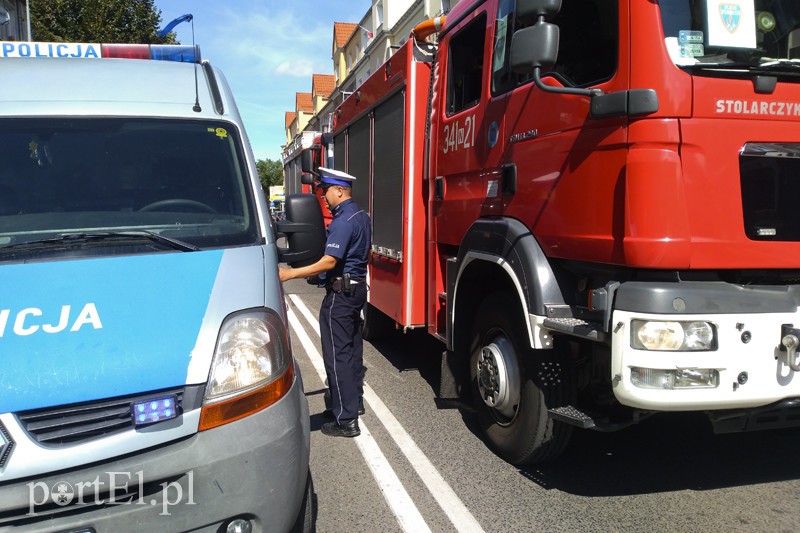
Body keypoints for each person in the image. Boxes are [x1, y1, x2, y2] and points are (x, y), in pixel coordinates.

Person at [279, 167, 371, 438]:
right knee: (353, 352)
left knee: (337, 355)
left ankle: (346, 420)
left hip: (340, 298)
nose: (324, 197)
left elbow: (330, 260)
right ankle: (354, 404)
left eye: (326, 191)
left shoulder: (343, 221)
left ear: (340, 190)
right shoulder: (361, 215)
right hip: (356, 292)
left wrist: (290, 273)